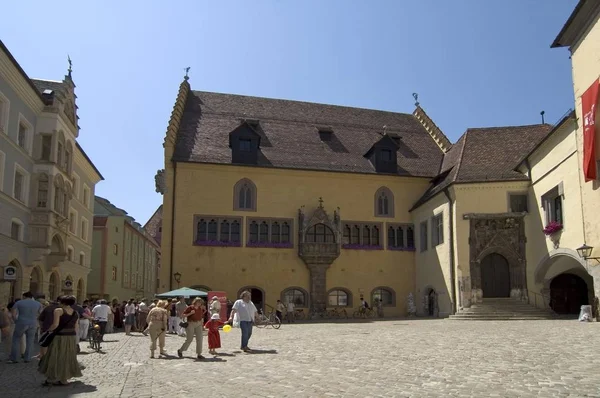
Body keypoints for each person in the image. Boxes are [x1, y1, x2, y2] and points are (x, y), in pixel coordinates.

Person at [38, 295, 82, 386]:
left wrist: (48, 331)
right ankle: (64, 379)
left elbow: (55, 325)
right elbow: (76, 327)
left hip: (59, 336)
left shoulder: (58, 311)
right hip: (70, 337)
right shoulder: (75, 313)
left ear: (62, 302)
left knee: (54, 355)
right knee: (67, 356)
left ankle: (51, 378)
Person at [8, 292, 42, 364]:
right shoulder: (38, 304)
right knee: (30, 340)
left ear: (24, 296)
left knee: (16, 339)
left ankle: (14, 358)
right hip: (33, 323)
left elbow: (13, 314)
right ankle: (28, 358)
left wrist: (15, 321)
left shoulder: (19, 303)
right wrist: (35, 319)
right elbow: (41, 314)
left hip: (21, 322)